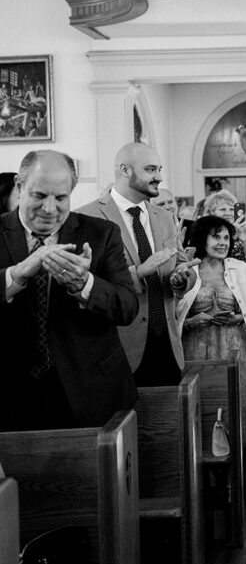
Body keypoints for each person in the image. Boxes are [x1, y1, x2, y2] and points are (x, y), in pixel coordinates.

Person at [0, 150, 138, 430]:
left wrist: (84, 285)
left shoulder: (101, 233)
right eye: (39, 196)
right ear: (19, 186)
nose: (50, 209)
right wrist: (14, 276)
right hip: (11, 392)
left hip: (91, 391)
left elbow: (127, 307)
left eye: (61, 198)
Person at [78, 142, 193, 386]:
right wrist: (140, 271)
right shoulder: (88, 218)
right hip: (119, 348)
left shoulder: (164, 218)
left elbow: (179, 264)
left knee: (169, 422)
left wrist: (181, 278)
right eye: (151, 169)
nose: (159, 177)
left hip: (167, 345)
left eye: (159, 169)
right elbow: (88, 285)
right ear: (125, 170)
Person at [173, 215, 246, 455]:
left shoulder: (238, 268)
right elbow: (174, 311)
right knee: (204, 406)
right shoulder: (188, 269)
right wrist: (190, 322)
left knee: (236, 404)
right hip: (197, 350)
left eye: (227, 237)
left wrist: (238, 318)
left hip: (235, 348)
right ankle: (205, 469)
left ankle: (239, 466)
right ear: (202, 238)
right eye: (216, 236)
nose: (222, 242)